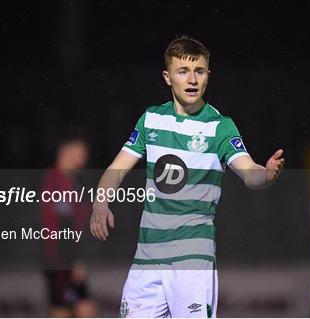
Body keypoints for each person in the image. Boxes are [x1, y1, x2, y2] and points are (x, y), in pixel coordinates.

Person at [89, 36, 285, 318]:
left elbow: (249, 172)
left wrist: (266, 174)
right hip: (147, 258)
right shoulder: (151, 120)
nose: (192, 79)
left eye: (200, 71)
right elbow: (116, 169)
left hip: (192, 255)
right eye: (183, 71)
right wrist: (100, 203)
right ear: (168, 77)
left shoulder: (219, 126)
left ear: (208, 75)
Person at [41, 134, 97, 317]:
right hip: (60, 257)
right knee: (66, 310)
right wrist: (75, 261)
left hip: (66, 255)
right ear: (65, 152)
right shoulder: (56, 181)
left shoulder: (72, 180)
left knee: (80, 307)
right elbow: (63, 225)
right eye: (79, 153)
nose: (83, 158)